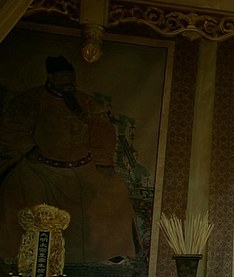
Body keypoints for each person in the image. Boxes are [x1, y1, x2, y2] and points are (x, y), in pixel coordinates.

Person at [0, 55, 138, 264]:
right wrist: (31, 149)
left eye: (71, 80)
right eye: (63, 80)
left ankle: (110, 249)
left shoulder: (86, 102)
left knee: (116, 190)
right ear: (51, 78)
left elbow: (103, 131)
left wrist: (102, 162)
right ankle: (19, 252)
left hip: (84, 167)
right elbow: (11, 130)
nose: (69, 85)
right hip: (42, 168)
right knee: (15, 192)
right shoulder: (30, 100)